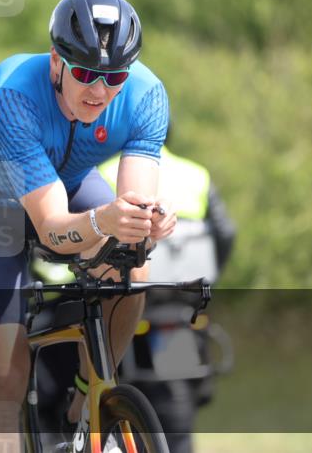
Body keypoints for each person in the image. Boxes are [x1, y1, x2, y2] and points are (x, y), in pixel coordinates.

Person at [0, 0, 177, 453]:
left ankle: (90, 400)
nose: (100, 90)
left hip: (69, 184)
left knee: (133, 263)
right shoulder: (12, 94)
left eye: (114, 77)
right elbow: (54, 226)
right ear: (56, 62)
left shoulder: (147, 95)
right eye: (85, 73)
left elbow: (131, 203)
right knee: (5, 377)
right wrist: (107, 220)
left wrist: (145, 221)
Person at [100, 139, 236, 453]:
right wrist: (208, 279)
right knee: (179, 416)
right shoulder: (196, 174)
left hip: (131, 299)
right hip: (181, 304)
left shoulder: (106, 172)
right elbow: (224, 233)